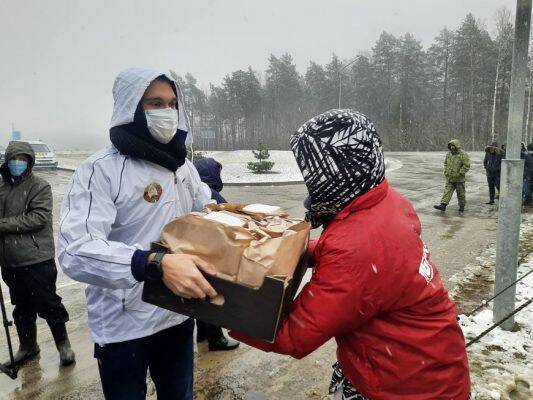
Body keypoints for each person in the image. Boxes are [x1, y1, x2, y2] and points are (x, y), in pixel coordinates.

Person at [231, 110, 471, 400]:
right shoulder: (383, 200)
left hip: (409, 386)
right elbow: (364, 252)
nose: (309, 179)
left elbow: (294, 335)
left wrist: (221, 302)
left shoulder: (355, 248)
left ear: (336, 169)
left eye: (312, 168)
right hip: (426, 364)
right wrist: (292, 248)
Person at [58, 67, 217, 400]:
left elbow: (206, 208)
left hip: (176, 314)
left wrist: (240, 218)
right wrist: (152, 264)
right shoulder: (101, 170)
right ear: (131, 107)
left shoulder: (181, 166)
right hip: (122, 325)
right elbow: (76, 250)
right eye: (155, 103)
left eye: (172, 103)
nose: (167, 112)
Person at [0, 141, 75, 367]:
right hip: (10, 261)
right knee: (21, 307)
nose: (17, 163)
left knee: (49, 303)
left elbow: (38, 218)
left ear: (29, 162)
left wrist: (2, 224)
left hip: (36, 259)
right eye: (14, 159)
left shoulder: (40, 186)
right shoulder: (1, 187)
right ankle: (28, 347)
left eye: (23, 159)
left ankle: (64, 346)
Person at [192, 157, 239, 351]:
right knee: (212, 295)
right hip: (210, 253)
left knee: (198, 293)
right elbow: (233, 221)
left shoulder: (190, 190)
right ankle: (216, 339)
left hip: (191, 252)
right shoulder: (212, 196)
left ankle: (203, 333)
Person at [434, 139, 470, 212]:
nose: (452, 147)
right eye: (450, 146)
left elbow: (466, 165)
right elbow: (445, 163)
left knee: (461, 194)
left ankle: (462, 206)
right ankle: (443, 205)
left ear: (456, 146)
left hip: (459, 179)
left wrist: (460, 173)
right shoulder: (449, 154)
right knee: (447, 192)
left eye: (453, 145)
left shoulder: (463, 154)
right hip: (450, 178)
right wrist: (446, 172)